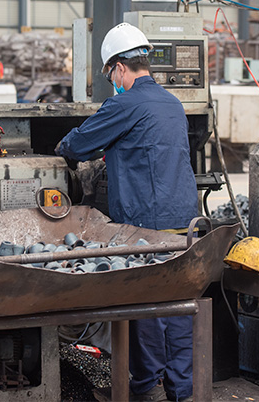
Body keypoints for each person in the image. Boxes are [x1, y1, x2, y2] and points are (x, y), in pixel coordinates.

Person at [56, 22, 198, 402]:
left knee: (147, 305)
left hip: (146, 222)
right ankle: (181, 392)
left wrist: (61, 147)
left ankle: (142, 387)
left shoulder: (124, 103)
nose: (111, 81)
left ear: (119, 68)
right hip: (184, 220)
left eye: (110, 74)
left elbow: (79, 144)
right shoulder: (173, 102)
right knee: (179, 304)